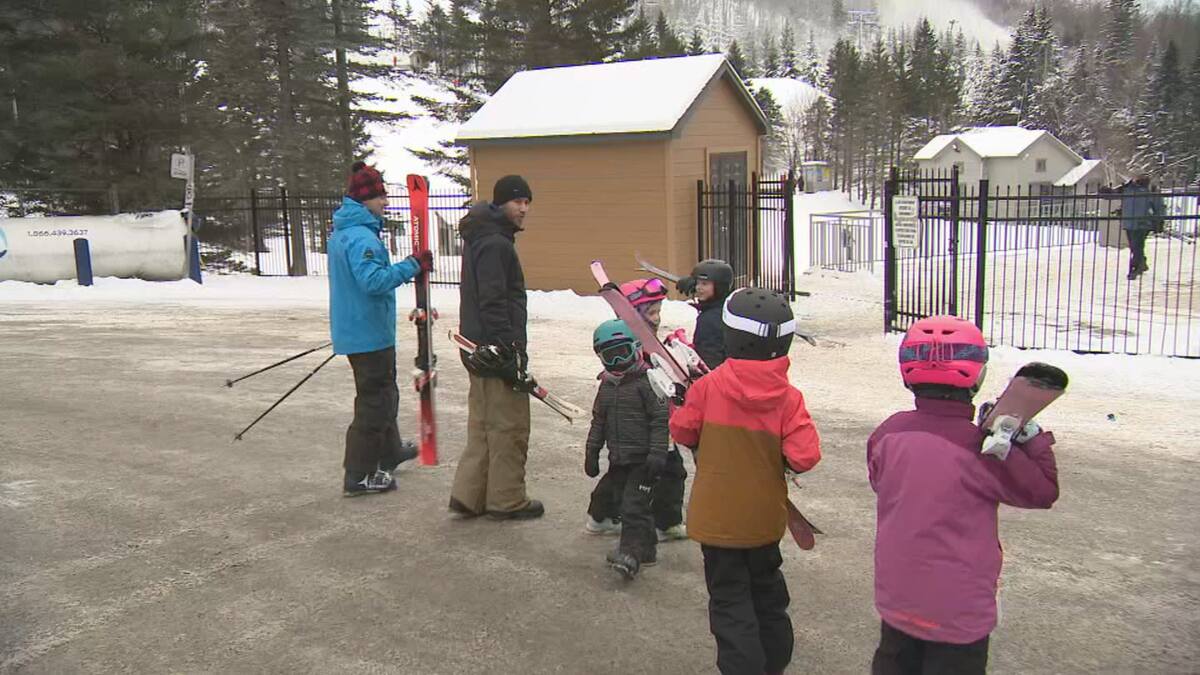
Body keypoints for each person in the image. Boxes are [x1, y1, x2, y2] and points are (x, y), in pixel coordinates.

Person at [868, 315, 1059, 675]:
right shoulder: (983, 450)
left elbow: (880, 481)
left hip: (899, 596)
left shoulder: (887, 433)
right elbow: (1042, 491)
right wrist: (1027, 436)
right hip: (958, 609)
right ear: (978, 374)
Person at [669, 288, 822, 675]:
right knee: (768, 596)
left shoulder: (707, 388)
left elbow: (684, 433)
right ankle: (774, 664)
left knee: (729, 601)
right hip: (763, 522)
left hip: (717, 523)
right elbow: (805, 456)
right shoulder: (790, 399)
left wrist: (678, 405)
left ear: (730, 336)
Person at [328, 161, 433, 496]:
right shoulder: (361, 238)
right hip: (367, 333)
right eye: (381, 197)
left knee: (384, 396)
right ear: (366, 200)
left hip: (363, 329)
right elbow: (373, 281)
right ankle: (358, 475)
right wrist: (412, 265)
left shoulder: (349, 231)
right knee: (374, 403)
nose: (386, 203)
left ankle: (388, 453)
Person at [449, 175, 544, 520]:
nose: (523, 209)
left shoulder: (483, 237)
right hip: (493, 348)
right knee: (509, 426)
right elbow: (494, 300)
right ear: (501, 203)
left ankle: (469, 494)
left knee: (484, 422)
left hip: (477, 346)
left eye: (527, 203)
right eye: (518, 202)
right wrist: (509, 348)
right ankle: (506, 499)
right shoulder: (496, 244)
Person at [584, 278, 688, 542]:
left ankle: (601, 515)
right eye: (650, 312)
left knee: (628, 474)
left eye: (658, 312)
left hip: (659, 422)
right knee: (666, 471)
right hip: (647, 428)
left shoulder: (652, 343)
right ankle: (664, 523)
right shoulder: (629, 348)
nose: (656, 318)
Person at [584, 319, 670, 579]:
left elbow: (660, 419)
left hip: (644, 460)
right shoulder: (607, 386)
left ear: (635, 348)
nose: (618, 361)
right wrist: (592, 451)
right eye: (610, 356)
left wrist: (658, 453)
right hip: (619, 459)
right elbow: (599, 420)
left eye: (623, 352)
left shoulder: (647, 381)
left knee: (633, 508)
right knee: (625, 503)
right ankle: (647, 550)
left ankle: (630, 554)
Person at [1103, 174, 1166, 280]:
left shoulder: (1151, 189)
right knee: (1134, 246)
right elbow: (1114, 194)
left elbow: (1159, 206)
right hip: (1129, 222)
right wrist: (1106, 192)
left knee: (1137, 246)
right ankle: (1142, 263)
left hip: (1143, 223)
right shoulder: (1127, 188)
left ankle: (1135, 268)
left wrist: (1159, 221)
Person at [674, 259, 734, 369]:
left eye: (704, 284)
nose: (698, 288)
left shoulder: (708, 320)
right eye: (697, 283)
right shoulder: (730, 306)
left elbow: (708, 360)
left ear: (719, 287)